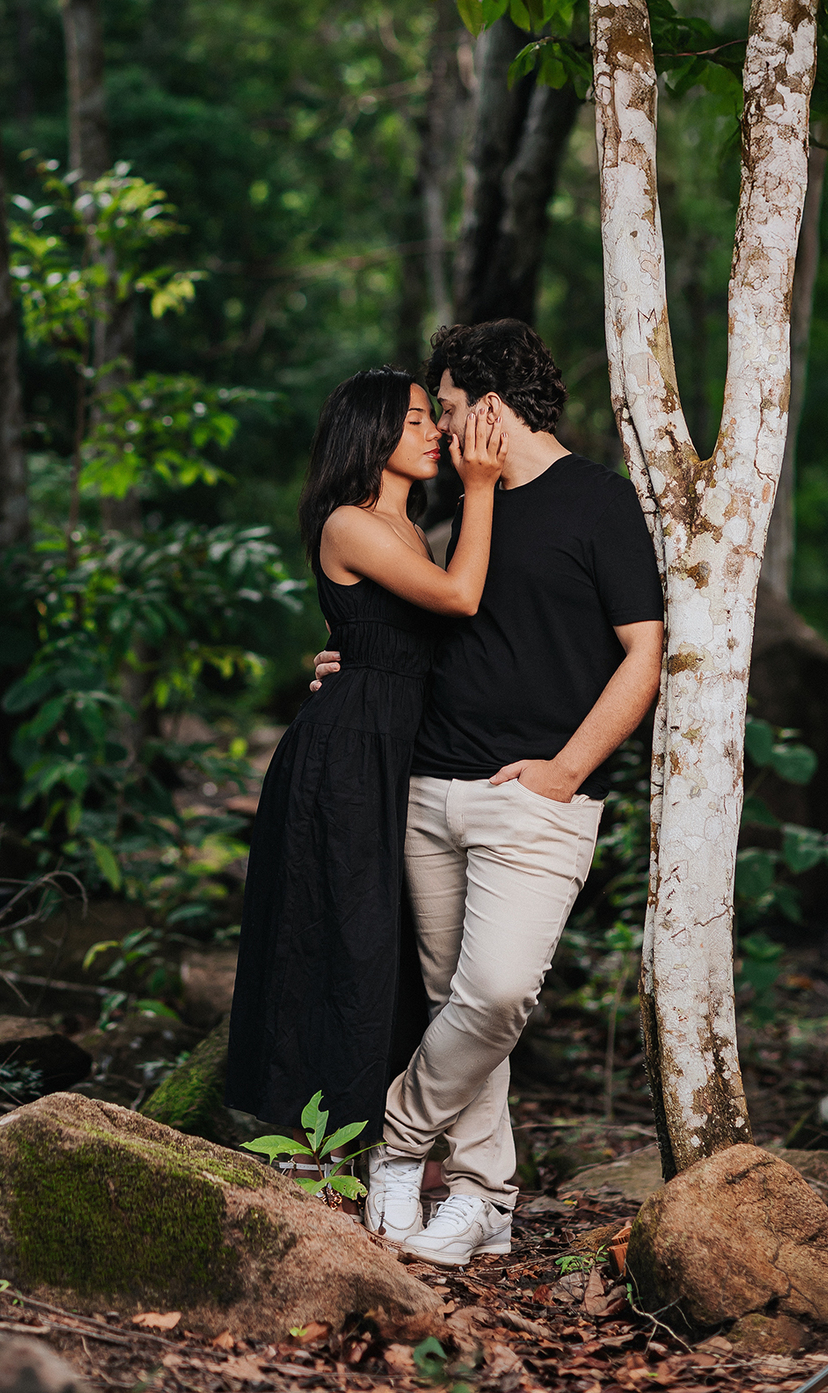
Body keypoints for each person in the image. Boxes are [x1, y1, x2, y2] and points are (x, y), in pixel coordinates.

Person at [314, 320, 665, 1264]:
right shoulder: (448, 519)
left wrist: (565, 771)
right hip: (427, 787)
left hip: (536, 799)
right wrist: (343, 665)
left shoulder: (599, 501)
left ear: (492, 407)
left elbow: (646, 653)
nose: (440, 432)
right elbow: (413, 634)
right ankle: (482, 1201)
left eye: (451, 409)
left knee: (498, 994)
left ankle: (396, 1140)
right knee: (452, 1004)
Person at [225, 367, 507, 1157]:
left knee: (391, 949)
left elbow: (408, 638)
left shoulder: (411, 528)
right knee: (341, 939)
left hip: (396, 752)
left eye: (432, 419)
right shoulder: (350, 522)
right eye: (416, 420)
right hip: (345, 758)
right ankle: (326, 1145)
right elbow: (456, 600)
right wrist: (479, 485)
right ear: (372, 433)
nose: (436, 434)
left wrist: (350, 653)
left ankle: (390, 1143)